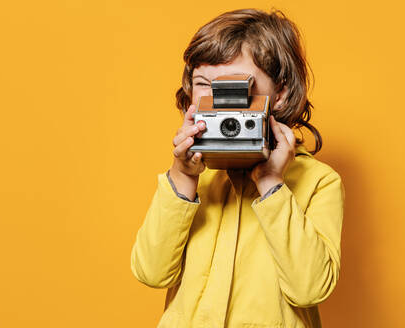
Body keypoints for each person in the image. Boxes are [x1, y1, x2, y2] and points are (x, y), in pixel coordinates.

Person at [130, 8, 345, 328]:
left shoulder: (318, 182)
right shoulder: (194, 180)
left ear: (281, 94)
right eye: (204, 84)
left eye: (236, 86)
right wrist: (182, 178)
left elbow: (310, 289)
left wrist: (272, 184)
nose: (220, 99)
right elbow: (151, 272)